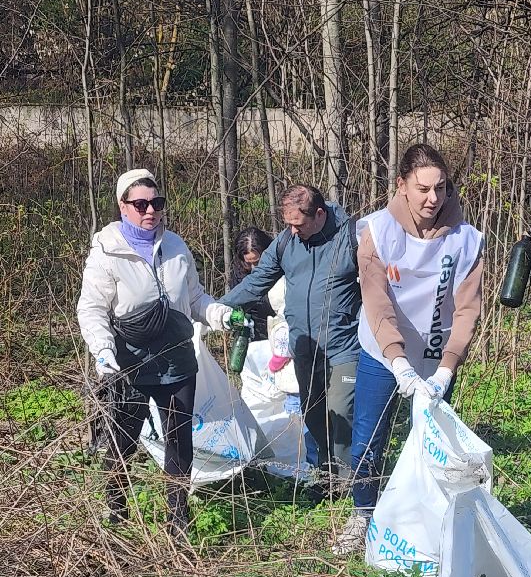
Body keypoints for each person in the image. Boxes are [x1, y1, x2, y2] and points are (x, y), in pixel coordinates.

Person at [333, 143, 485, 555]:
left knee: (433, 441)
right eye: (422, 189)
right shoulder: (377, 232)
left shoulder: (466, 241)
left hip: (437, 358)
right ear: (401, 186)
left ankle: (430, 521)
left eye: (441, 188)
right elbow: (377, 303)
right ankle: (363, 513)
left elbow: (467, 310)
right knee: (368, 437)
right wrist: (398, 362)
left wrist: (446, 370)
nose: (433, 199)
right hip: (384, 355)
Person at [77, 168, 234, 535]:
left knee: (179, 442)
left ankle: (178, 519)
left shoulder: (176, 246)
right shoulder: (107, 251)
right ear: (123, 206)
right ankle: (115, 510)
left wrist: (220, 313)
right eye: (141, 204)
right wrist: (102, 351)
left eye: (156, 203)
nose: (150, 211)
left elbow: (194, 299)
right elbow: (92, 308)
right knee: (122, 441)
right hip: (128, 362)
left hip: (177, 358)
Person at [219, 185, 359, 478]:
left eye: (298, 224)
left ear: (319, 215)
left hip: (343, 346)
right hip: (304, 349)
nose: (293, 231)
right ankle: (324, 480)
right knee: (314, 416)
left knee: (343, 413)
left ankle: (351, 486)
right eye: (288, 224)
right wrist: (214, 310)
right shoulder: (286, 243)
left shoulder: (351, 238)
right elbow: (255, 282)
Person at [232, 226, 273, 340]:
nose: (254, 268)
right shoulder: (239, 271)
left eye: (257, 262)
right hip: (254, 333)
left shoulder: (281, 267)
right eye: (248, 263)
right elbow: (237, 304)